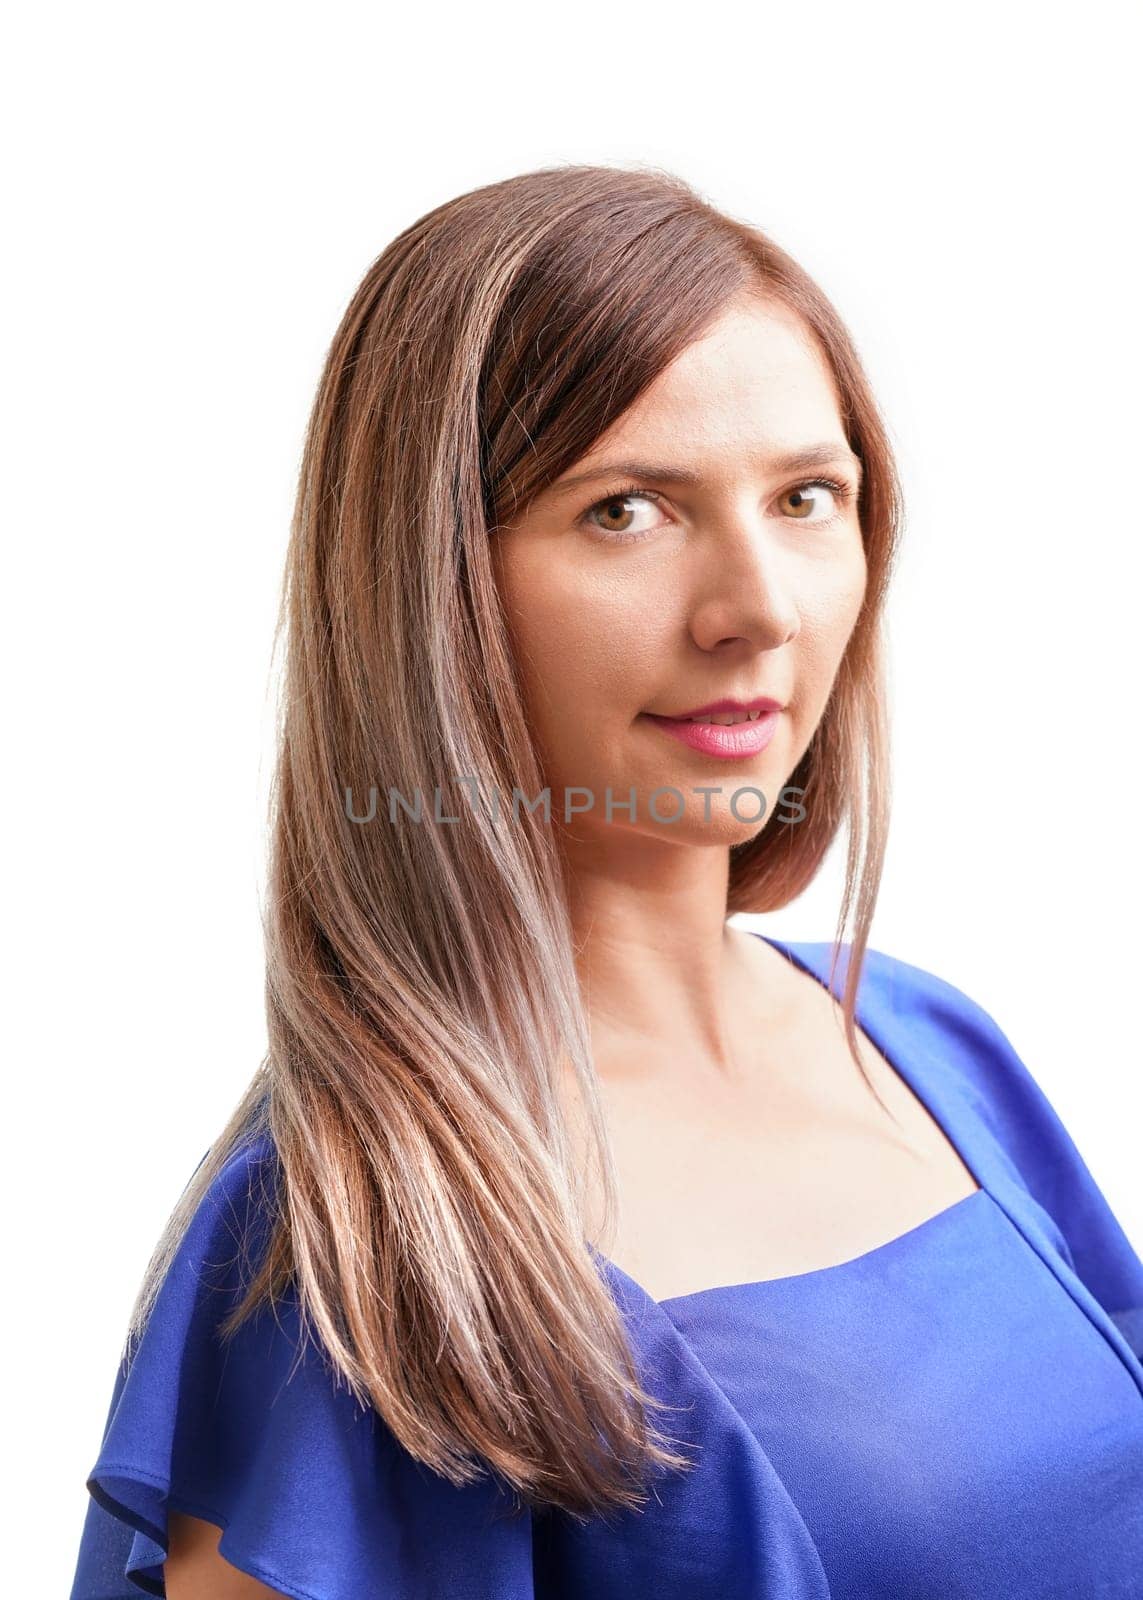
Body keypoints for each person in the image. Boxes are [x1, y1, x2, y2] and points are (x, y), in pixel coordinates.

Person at [68, 163, 1143, 1600]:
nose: (757, 609)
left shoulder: (932, 1044)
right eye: (626, 512)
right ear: (432, 582)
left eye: (808, 497)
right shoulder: (358, 1241)